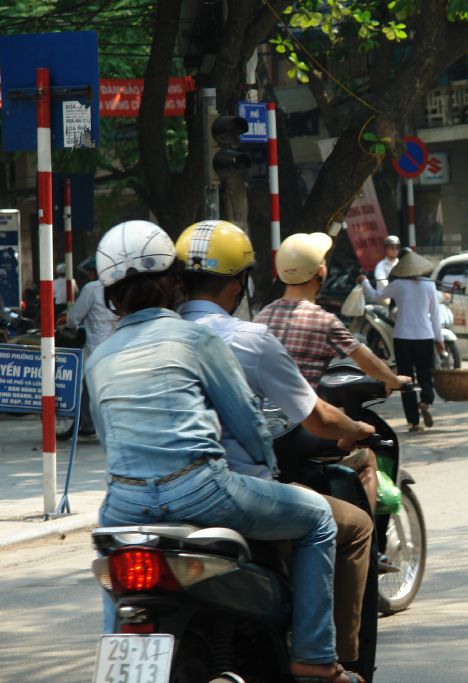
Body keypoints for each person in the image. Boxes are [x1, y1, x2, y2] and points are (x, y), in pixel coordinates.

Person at [88, 220, 353, 682]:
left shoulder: (99, 358)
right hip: (204, 491)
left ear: (110, 294)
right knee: (319, 518)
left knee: (119, 575)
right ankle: (313, 656)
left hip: (124, 503)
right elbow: (248, 424)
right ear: (171, 281)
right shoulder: (197, 339)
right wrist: (267, 473)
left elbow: (111, 442)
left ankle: (121, 663)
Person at [175, 220, 375, 673]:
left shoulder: (146, 340)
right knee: (347, 524)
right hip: (226, 488)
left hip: (144, 497)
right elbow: (318, 417)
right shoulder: (247, 337)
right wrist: (357, 429)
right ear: (239, 282)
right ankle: (325, 661)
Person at [256, 232, 410, 471]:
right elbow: (366, 360)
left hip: (263, 429)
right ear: (320, 272)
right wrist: (394, 380)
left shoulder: (262, 316)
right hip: (303, 426)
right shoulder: (323, 320)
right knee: (365, 453)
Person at [359, 250, 443, 432]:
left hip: (403, 337)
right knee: (425, 374)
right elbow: (435, 315)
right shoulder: (429, 286)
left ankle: (413, 422)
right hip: (425, 336)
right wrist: (440, 339)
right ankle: (426, 401)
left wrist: (365, 282)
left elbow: (375, 296)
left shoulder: (398, 284)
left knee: (405, 378)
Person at [63, 255, 118, 436]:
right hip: (120, 347)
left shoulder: (92, 288)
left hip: (97, 348)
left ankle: (87, 423)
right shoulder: (121, 287)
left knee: (87, 385)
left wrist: (71, 326)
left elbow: (74, 317)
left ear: (96, 272)